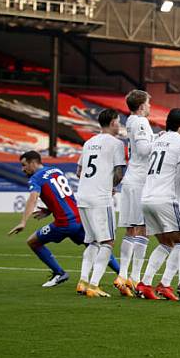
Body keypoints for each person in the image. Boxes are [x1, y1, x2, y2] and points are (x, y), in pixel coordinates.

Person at [7, 151, 118, 287]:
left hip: (64, 223)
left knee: (33, 242)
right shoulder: (56, 170)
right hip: (79, 218)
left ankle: (59, 273)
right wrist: (49, 210)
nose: (23, 169)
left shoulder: (36, 178)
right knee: (99, 246)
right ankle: (122, 276)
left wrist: (23, 222)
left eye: (24, 165)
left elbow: (33, 198)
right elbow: (61, 196)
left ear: (33, 162)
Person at [135, 108, 180, 301]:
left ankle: (145, 283)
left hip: (147, 198)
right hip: (167, 199)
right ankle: (165, 284)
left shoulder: (156, 141)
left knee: (167, 243)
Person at [75, 109, 127, 298]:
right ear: (113, 122)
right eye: (118, 121)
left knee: (92, 241)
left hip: (82, 196)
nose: (119, 125)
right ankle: (94, 284)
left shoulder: (89, 142)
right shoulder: (116, 144)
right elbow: (119, 173)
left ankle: (82, 281)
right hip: (100, 197)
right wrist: (111, 186)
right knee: (108, 241)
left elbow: (79, 172)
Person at [114, 89, 154, 297]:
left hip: (133, 178)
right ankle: (134, 277)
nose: (150, 106)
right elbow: (145, 150)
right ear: (141, 106)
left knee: (132, 229)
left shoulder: (131, 121)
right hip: (140, 181)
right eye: (148, 103)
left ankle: (124, 276)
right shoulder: (140, 122)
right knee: (143, 228)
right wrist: (161, 142)